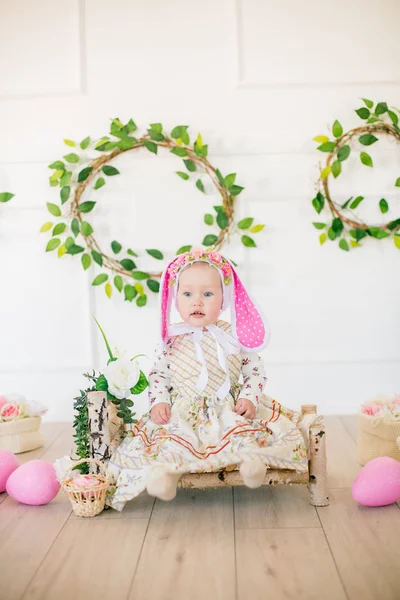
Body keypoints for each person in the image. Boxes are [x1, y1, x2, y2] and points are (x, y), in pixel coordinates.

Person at [106, 248, 307, 511]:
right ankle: (164, 474)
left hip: (228, 406)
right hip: (184, 409)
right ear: (175, 300)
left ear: (224, 299)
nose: (197, 302)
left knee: (242, 432)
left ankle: (252, 463)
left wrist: (248, 396)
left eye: (208, 294)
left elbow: (254, 370)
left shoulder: (233, 334)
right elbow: (159, 374)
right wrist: (159, 402)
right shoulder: (170, 339)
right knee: (171, 438)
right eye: (187, 294)